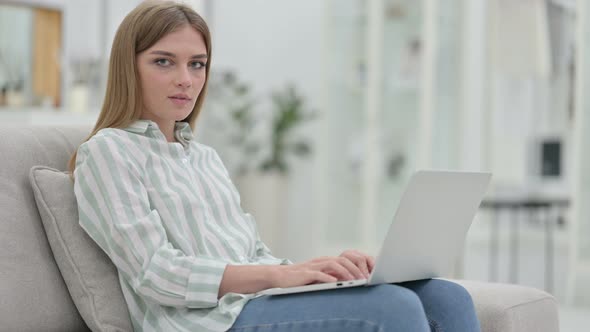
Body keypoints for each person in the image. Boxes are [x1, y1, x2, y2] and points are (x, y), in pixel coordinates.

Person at [70, 1, 481, 331]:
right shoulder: (107, 153)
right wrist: (276, 278)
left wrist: (324, 271)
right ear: (130, 66)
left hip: (255, 302)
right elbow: (155, 272)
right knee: (391, 308)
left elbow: (254, 253)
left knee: (446, 297)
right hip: (205, 322)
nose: (186, 79)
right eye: (164, 61)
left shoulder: (203, 156)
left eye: (197, 64)